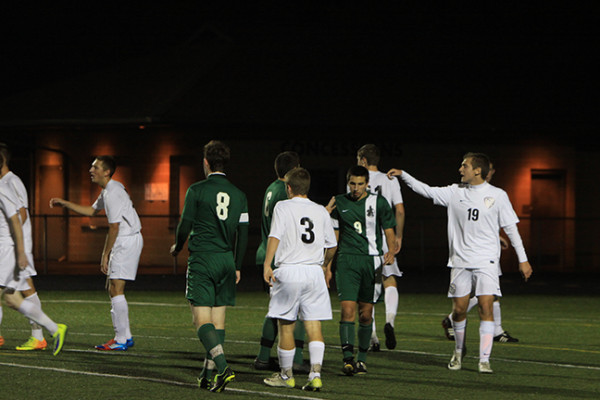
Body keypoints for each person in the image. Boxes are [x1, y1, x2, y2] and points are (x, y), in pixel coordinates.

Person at [387, 152, 533, 374]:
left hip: (487, 261)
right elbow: (425, 189)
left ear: (477, 170)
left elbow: (511, 229)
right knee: (459, 310)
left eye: (464, 166)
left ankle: (484, 359)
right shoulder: (454, 192)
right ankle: (458, 351)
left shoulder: (498, 195)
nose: (460, 169)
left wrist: (523, 259)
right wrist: (404, 175)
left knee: (486, 306)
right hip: (460, 262)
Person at [170, 140, 249, 393]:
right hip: (226, 259)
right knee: (218, 321)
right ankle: (207, 374)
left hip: (203, 258)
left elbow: (185, 223)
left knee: (200, 320)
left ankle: (224, 368)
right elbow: (243, 233)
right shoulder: (240, 195)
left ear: (206, 163)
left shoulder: (197, 190)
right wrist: (236, 265)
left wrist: (178, 245)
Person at [50, 155, 142, 351]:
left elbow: (114, 227)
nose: (91, 170)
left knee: (116, 288)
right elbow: (92, 211)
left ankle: (121, 339)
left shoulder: (113, 192)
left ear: (106, 172)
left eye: (95, 167)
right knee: (112, 287)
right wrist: (65, 203)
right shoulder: (109, 189)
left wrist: (105, 254)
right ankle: (125, 336)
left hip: (126, 240)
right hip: (126, 239)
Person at [262, 167, 337, 391]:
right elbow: (332, 245)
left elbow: (274, 235)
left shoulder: (283, 206)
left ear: (289, 187)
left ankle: (286, 376)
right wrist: (324, 265)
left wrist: (267, 263)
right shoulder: (321, 211)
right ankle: (315, 375)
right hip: (313, 273)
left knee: (286, 326)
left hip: (290, 272)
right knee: (314, 326)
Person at [329, 165, 397, 375]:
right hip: (347, 262)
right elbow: (333, 237)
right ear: (347, 183)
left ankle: (362, 359)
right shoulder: (339, 202)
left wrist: (392, 251)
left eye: (360, 184)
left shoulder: (379, 202)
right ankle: (348, 358)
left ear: (367, 183)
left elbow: (389, 230)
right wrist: (327, 265)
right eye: (352, 184)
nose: (356, 188)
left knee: (366, 314)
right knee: (348, 310)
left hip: (371, 262)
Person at [441, 162, 519, 343]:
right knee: (485, 295)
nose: (491, 172)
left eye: (492, 169)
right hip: (470, 255)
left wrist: (496, 237)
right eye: (489, 169)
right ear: (480, 170)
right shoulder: (464, 191)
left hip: (487, 253)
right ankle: (454, 320)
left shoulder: (494, 193)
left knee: (491, 293)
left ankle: (495, 331)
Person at [0, 150, 67, 356]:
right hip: (7, 247)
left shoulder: (6, 185)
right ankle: (54, 329)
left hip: (8, 248)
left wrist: (20, 251)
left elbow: (18, 217)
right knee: (12, 298)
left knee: (18, 294)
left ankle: (45, 333)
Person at [254, 151, 309, 373]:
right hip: (280, 258)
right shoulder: (286, 193)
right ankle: (296, 358)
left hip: (265, 254)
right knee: (297, 311)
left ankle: (263, 357)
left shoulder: (271, 188)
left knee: (277, 310)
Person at [356, 144, 405, 351]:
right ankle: (390, 322)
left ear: (364, 161)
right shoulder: (389, 179)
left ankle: (373, 336)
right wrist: (398, 237)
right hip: (387, 236)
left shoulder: (357, 180)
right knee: (390, 280)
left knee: (369, 287)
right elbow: (400, 210)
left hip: (365, 239)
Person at [0, 144, 49, 350]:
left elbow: (21, 214)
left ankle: (41, 334)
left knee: (24, 290)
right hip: (10, 245)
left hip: (12, 246)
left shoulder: (12, 181)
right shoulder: (5, 182)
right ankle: (40, 335)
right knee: (25, 290)